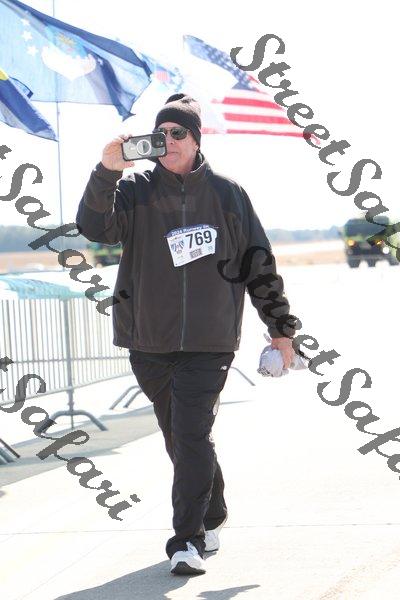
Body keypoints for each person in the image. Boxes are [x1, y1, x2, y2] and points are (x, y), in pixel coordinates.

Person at [76, 93, 299, 576]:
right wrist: (106, 171)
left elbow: (259, 265)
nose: (169, 141)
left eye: (178, 133)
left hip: (209, 340)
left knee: (191, 433)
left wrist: (281, 330)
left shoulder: (227, 194)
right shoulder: (134, 190)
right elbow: (94, 227)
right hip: (147, 341)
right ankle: (211, 514)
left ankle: (187, 540)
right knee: (180, 436)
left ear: (197, 140)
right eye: (160, 134)